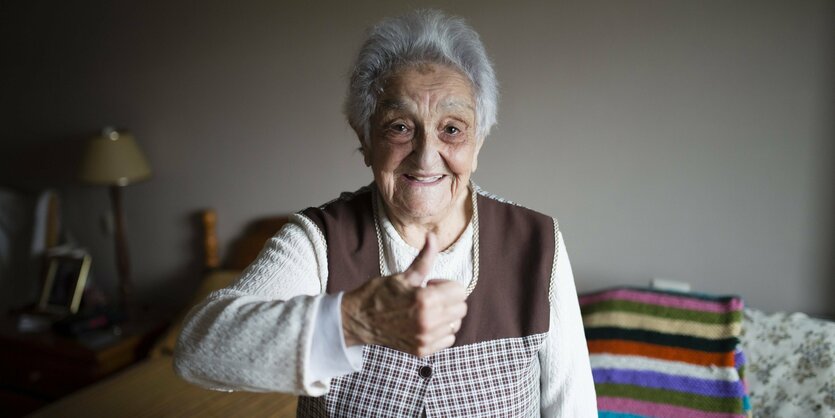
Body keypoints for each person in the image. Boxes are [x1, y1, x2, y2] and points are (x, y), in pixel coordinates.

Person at [174, 9, 597, 417]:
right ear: (365, 139)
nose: (427, 157)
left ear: (478, 141)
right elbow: (197, 351)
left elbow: (572, 406)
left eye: (452, 128)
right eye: (399, 127)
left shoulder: (537, 240)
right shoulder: (319, 239)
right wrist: (355, 321)